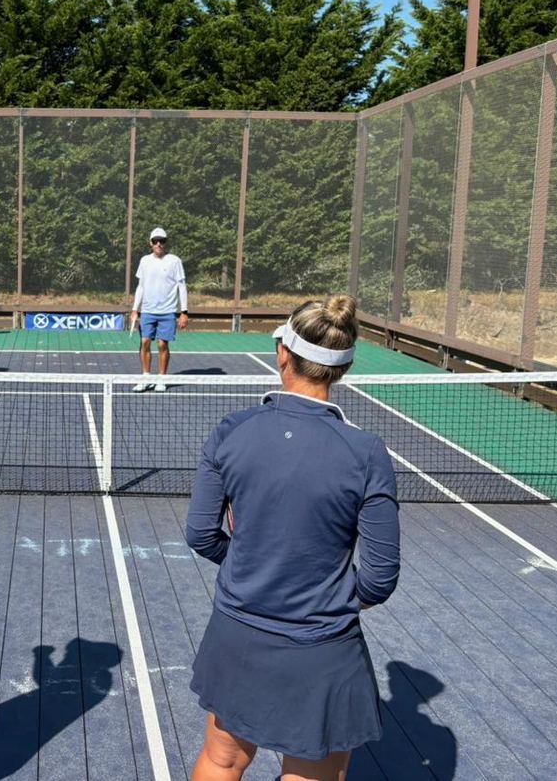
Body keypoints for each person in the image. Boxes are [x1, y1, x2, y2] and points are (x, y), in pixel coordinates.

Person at [185, 295, 400, 781]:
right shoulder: (366, 453)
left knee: (221, 759)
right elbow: (380, 578)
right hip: (321, 645)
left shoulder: (232, 432)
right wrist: (328, 601)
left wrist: (248, 563)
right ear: (342, 368)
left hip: (236, 632)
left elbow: (201, 534)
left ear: (282, 352)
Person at [129, 227, 188, 392]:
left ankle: (161, 379)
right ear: (151, 243)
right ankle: (146, 377)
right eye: (155, 241)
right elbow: (140, 287)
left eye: (162, 241)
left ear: (165, 242)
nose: (159, 244)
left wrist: (184, 312)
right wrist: (135, 309)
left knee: (162, 344)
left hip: (168, 312)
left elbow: (181, 286)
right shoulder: (144, 261)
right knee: (144, 342)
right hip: (147, 311)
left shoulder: (174, 261)